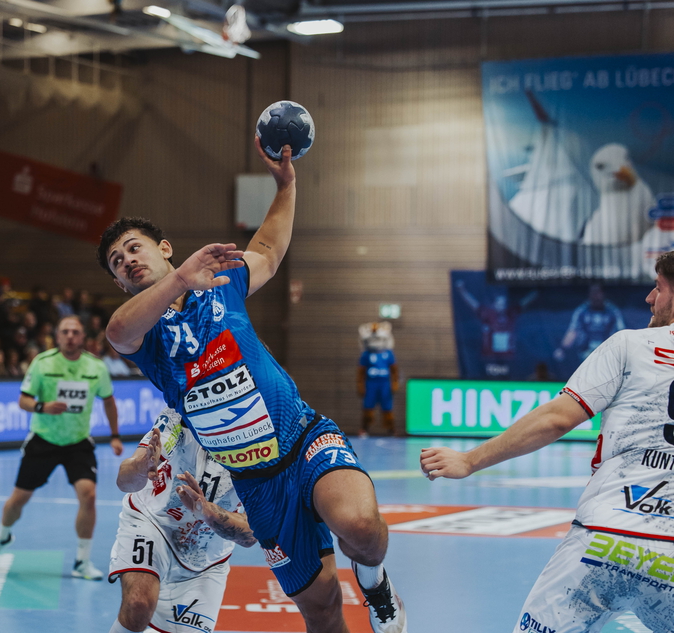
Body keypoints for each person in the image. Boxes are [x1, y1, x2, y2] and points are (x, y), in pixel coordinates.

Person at [99, 139, 407, 633]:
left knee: (361, 528)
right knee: (322, 610)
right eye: (117, 262)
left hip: (303, 439)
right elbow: (117, 331)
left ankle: (376, 586)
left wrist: (286, 186)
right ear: (119, 283)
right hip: (257, 483)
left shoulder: (222, 284)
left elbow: (268, 249)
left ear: (164, 248)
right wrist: (180, 280)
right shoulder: (143, 335)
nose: (127, 260)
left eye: (133, 247)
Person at [419, 251, 674, 633]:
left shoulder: (629, 345)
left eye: (658, 287)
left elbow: (556, 419)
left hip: (605, 538)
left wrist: (469, 460)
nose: (649, 298)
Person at [0, 315, 124, 582]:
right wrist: (43, 407)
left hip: (78, 442)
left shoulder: (96, 367)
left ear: (83, 337)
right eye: (65, 331)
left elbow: (109, 400)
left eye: (75, 332)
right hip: (43, 440)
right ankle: (1, 536)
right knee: (18, 500)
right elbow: (23, 400)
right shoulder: (42, 363)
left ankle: (82, 561)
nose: (70, 336)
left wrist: (114, 436)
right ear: (57, 336)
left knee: (88, 496)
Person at [109, 408, 255, 633]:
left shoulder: (260, 447)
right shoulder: (179, 417)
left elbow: (251, 536)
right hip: (153, 523)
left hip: (207, 557)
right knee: (138, 604)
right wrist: (142, 466)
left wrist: (208, 513)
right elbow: (124, 481)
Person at [553, 283, 626, 364]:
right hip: (586, 353)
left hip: (607, 354)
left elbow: (621, 332)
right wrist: (562, 348)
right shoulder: (581, 311)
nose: (596, 296)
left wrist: (624, 350)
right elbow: (573, 331)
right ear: (589, 295)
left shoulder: (612, 311)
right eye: (593, 294)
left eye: (598, 293)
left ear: (603, 294)